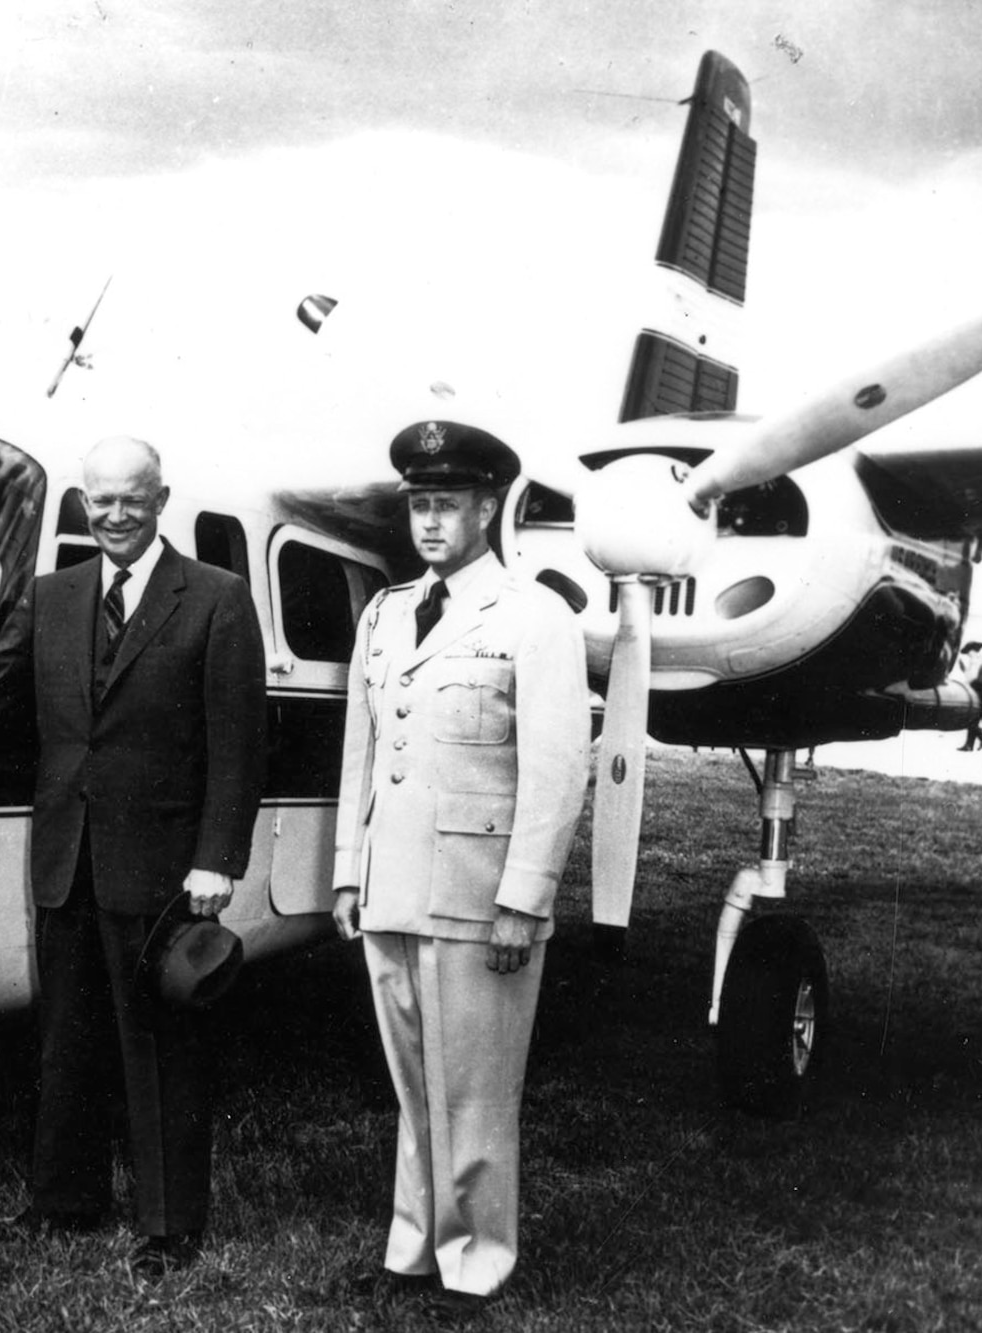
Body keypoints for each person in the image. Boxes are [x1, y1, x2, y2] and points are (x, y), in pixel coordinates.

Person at [0, 435, 267, 1280]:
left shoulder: (215, 599)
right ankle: (65, 1201)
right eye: (99, 501)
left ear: (162, 498)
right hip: (66, 857)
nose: (114, 514)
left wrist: (219, 857)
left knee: (159, 1040)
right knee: (67, 1037)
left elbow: (239, 743)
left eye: (130, 499)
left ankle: (169, 1228)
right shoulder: (55, 597)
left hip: (161, 861)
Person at [330, 420, 589, 1318]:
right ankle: (412, 1248)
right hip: (395, 885)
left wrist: (526, 897)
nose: (430, 522)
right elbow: (362, 749)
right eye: (420, 505)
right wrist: (348, 872)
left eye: (448, 504)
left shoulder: (533, 616)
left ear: (488, 508)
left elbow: (558, 769)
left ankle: (475, 1261)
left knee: (475, 1091)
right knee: (414, 1084)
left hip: (479, 895)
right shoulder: (386, 612)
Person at [955, 639, 982, 751]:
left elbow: (972, 678)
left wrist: (964, 669)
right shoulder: (980, 660)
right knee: (973, 719)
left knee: (971, 719)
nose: (968, 655)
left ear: (972, 651)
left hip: (979, 692)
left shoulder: (975, 660)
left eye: (968, 652)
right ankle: (969, 745)